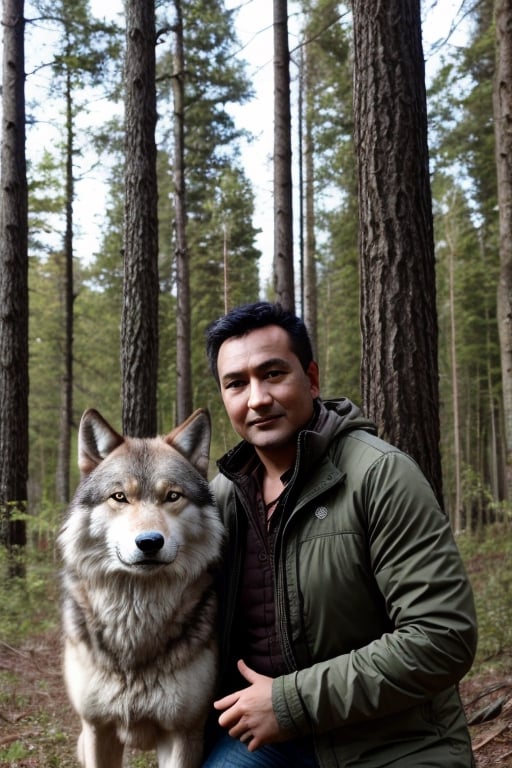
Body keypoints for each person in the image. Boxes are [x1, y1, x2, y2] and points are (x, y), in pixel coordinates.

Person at [202, 301, 477, 768]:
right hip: (261, 741)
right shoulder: (221, 498)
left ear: (310, 378)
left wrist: (291, 702)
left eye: (273, 374)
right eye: (236, 384)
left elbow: (441, 637)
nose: (257, 399)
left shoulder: (380, 475)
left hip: (390, 740)